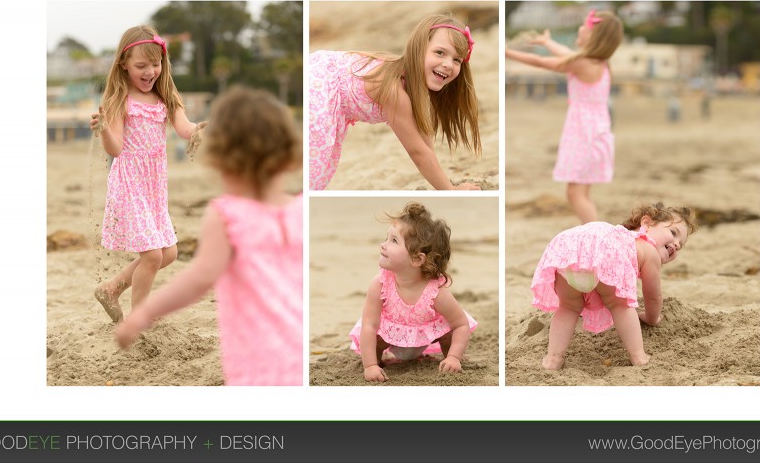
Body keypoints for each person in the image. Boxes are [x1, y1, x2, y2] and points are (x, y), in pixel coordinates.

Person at [115, 85, 303, 386]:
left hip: (258, 358)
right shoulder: (301, 209)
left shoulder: (227, 215)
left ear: (220, 159)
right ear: (289, 154)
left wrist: (143, 314)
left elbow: (200, 279)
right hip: (300, 349)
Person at [90, 25, 207, 323]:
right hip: (129, 182)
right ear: (124, 64)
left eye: (155, 64)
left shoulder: (166, 96)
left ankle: (110, 288)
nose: (150, 71)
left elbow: (183, 127)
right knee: (153, 255)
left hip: (153, 185)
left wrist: (196, 131)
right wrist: (103, 130)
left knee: (168, 254)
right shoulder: (120, 100)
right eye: (141, 65)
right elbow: (115, 149)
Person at [309, 14, 483, 190]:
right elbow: (417, 152)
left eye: (457, 60)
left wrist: (444, 183)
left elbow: (423, 141)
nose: (448, 64)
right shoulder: (394, 92)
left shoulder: (411, 84)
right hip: (319, 91)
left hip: (322, 75)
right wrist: (450, 191)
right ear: (418, 48)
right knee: (314, 167)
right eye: (440, 53)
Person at [530, 202, 698, 370]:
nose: (676, 244)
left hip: (569, 249)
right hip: (600, 246)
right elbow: (653, 296)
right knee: (620, 305)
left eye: (680, 245)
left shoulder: (620, 238)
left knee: (568, 308)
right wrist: (651, 318)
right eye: (673, 233)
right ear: (646, 223)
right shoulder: (649, 250)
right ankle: (639, 356)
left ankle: (553, 359)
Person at [505, 10, 624, 223]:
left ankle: (595, 235)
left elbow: (542, 62)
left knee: (575, 194)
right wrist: (547, 42)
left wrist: (507, 53)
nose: (580, 29)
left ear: (595, 36)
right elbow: (565, 53)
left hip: (584, 134)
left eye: (585, 27)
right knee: (582, 193)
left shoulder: (584, 62)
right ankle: (594, 233)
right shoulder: (599, 63)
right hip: (595, 131)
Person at [349, 202, 478, 382]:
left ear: (417, 259)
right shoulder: (379, 284)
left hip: (426, 333)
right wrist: (369, 366)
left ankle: (450, 360)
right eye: (387, 238)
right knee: (374, 338)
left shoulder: (435, 292)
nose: (383, 245)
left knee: (448, 333)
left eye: (393, 241)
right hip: (389, 335)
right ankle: (376, 363)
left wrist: (454, 356)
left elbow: (461, 325)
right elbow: (369, 326)